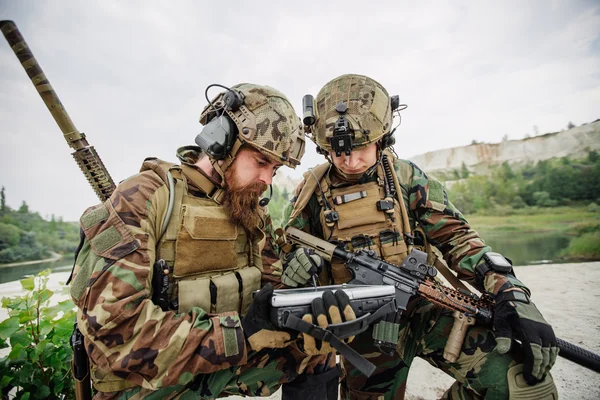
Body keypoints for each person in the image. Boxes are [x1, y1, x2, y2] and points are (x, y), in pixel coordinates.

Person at [281, 74, 559, 399]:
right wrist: (298, 269)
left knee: (524, 386)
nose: (350, 161)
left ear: (383, 138)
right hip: (363, 333)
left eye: (360, 148)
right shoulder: (310, 193)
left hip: (425, 308)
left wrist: (509, 290)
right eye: (338, 152)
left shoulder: (406, 178)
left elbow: (459, 239)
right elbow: (286, 260)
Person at [68, 83, 351, 399]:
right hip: (147, 377)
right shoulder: (146, 198)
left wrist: (303, 301)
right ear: (222, 140)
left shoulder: (248, 209)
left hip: (220, 355)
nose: (267, 180)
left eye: (275, 168)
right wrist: (241, 334)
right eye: (260, 161)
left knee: (314, 350)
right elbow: (115, 333)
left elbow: (272, 291)